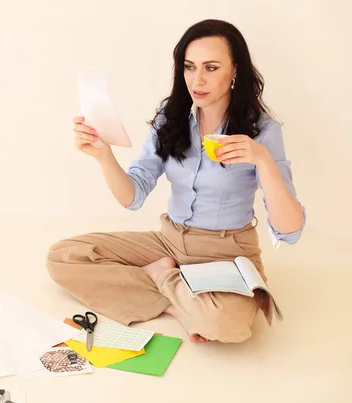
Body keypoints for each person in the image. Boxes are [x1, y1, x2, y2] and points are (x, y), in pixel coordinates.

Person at [46, 19, 306, 343]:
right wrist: (103, 155)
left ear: (235, 70)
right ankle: (177, 296)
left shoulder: (263, 130)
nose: (197, 80)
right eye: (189, 66)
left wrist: (262, 160)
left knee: (229, 326)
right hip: (170, 240)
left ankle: (162, 280)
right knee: (64, 256)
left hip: (228, 250)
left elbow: (291, 230)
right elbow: (133, 196)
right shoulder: (171, 118)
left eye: (211, 68)